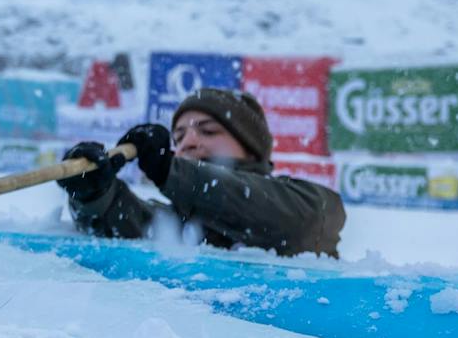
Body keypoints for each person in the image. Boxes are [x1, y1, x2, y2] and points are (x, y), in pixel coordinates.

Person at [56, 87, 346, 257]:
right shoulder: (182, 224)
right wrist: (95, 193)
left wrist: (171, 170)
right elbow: (128, 224)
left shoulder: (307, 205)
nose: (188, 142)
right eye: (178, 137)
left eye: (207, 131)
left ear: (251, 148)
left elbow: (301, 221)